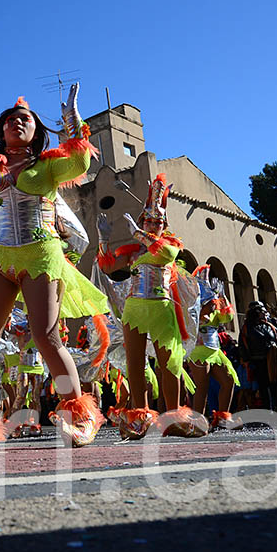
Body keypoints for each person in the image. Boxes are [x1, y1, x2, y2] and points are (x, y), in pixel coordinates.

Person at [0, 77, 108, 450]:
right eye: (10, 119)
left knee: (47, 337)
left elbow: (81, 159)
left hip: (40, 256)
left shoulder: (49, 167)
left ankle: (80, 415)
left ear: (36, 132)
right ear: (1, 130)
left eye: (26, 119)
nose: (17, 122)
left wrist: (73, 121)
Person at [98, 175, 207, 439]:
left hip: (162, 310)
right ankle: (140, 416)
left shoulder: (169, 246)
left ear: (164, 224)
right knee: (135, 365)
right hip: (134, 309)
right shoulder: (134, 250)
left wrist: (138, 231)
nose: (151, 224)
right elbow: (108, 266)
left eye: (156, 221)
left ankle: (173, 418)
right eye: (148, 220)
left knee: (168, 364)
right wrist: (103, 239)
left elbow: (164, 255)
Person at [188, 266, 240, 430]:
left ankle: (222, 417)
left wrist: (223, 297)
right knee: (201, 386)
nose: (212, 303)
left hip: (215, 351)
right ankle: (198, 422)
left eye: (213, 301)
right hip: (198, 352)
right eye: (209, 301)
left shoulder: (215, 309)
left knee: (228, 380)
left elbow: (228, 317)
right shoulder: (191, 311)